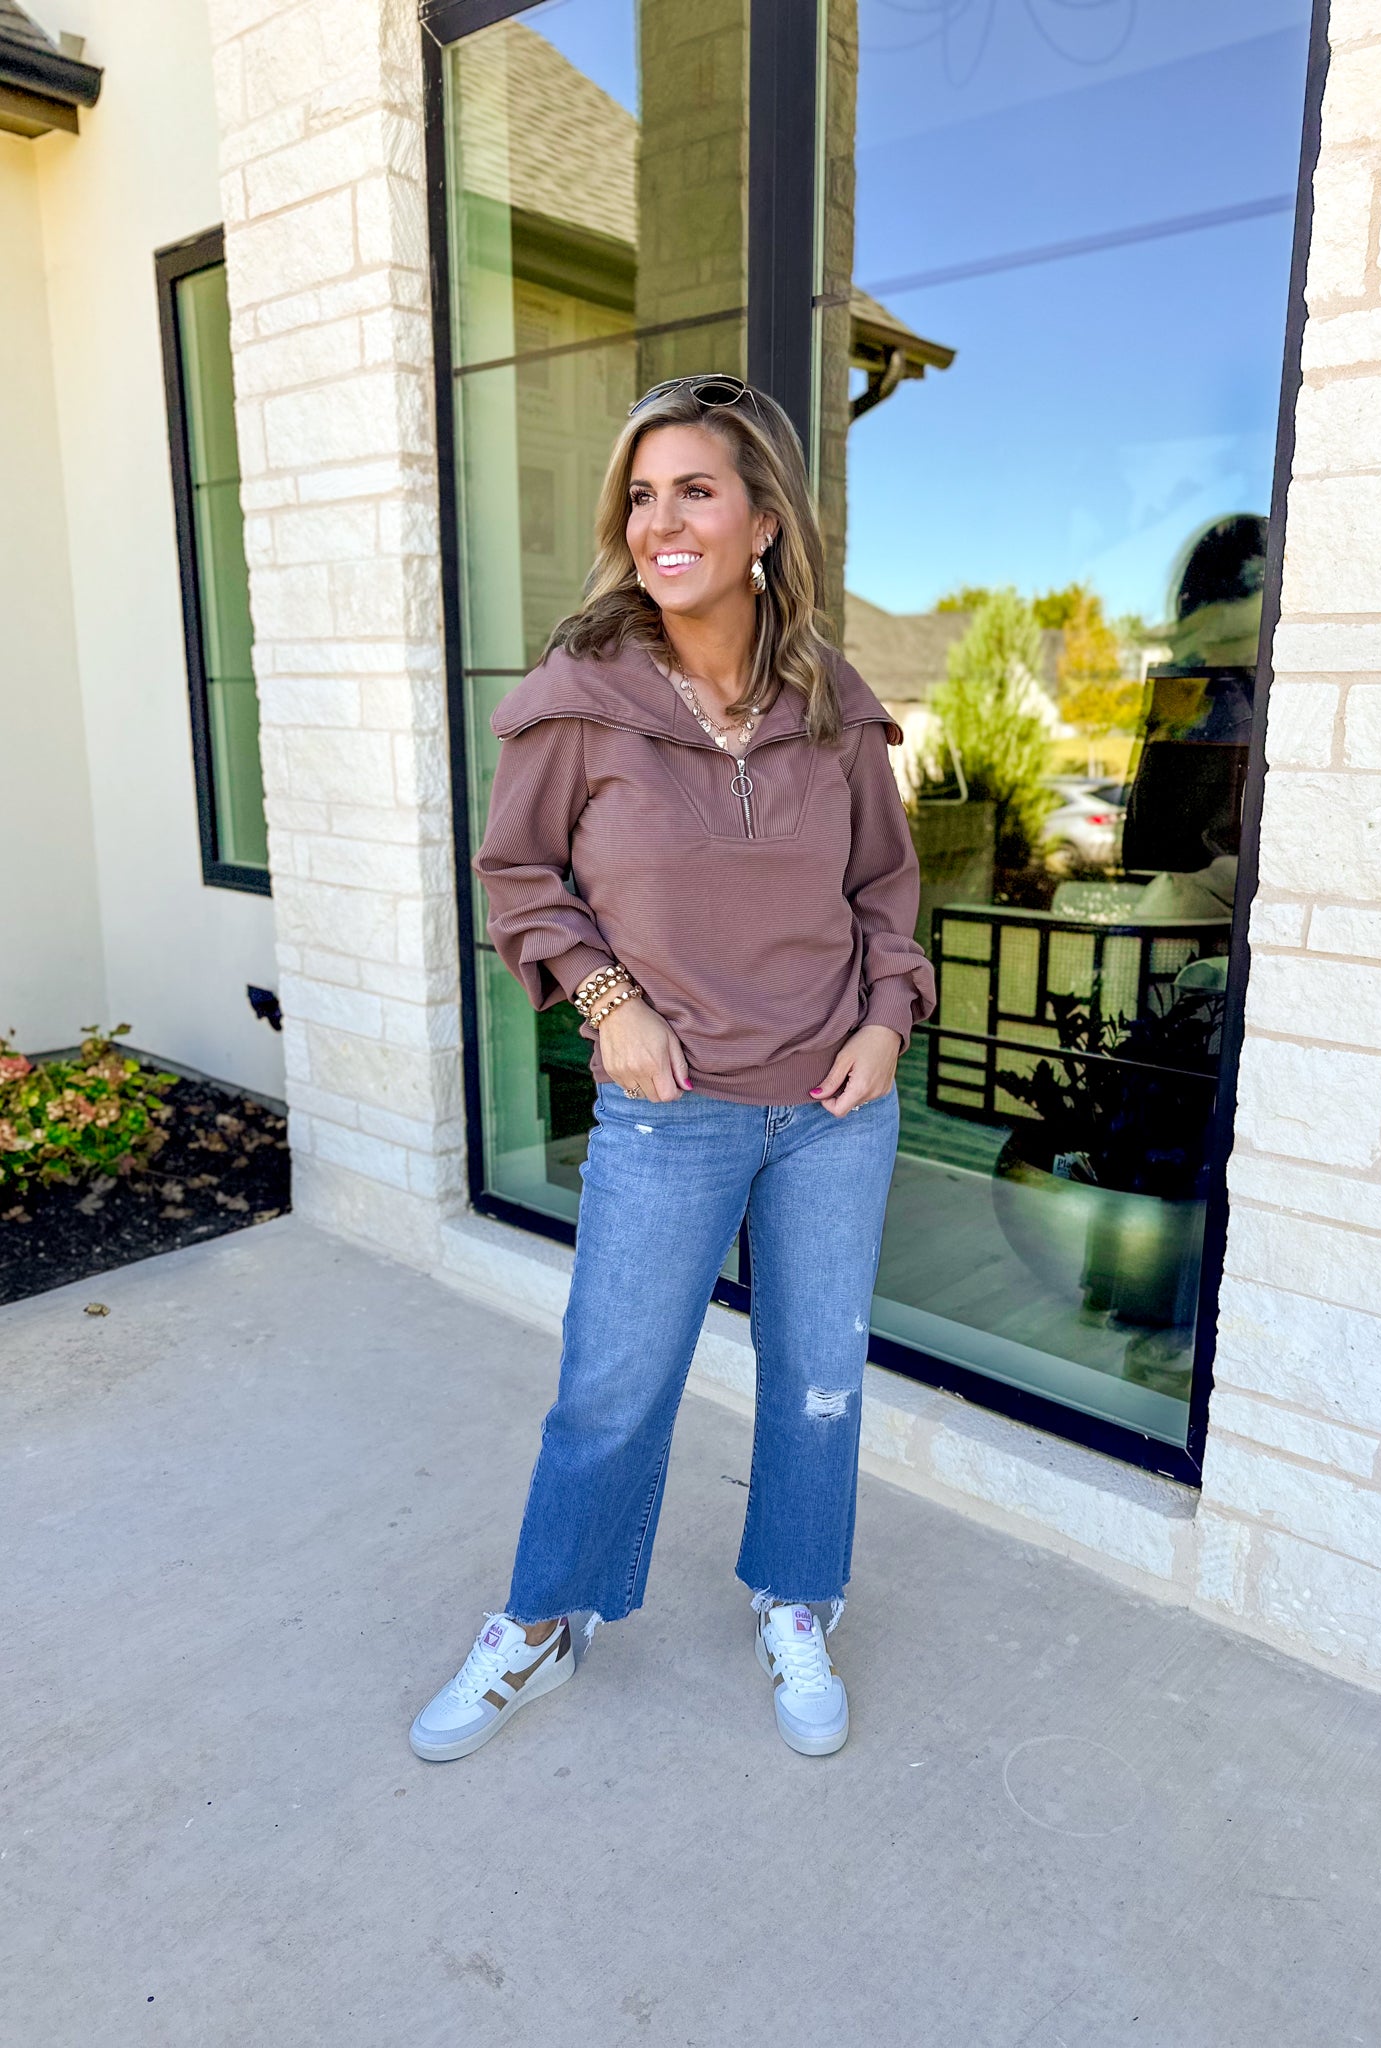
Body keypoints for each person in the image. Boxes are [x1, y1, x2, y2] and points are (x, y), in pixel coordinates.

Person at [409, 374, 936, 1765]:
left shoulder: (836, 708)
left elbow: (885, 892)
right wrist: (608, 1003)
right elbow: (519, 875)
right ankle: (543, 1622)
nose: (661, 523)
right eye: (641, 498)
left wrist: (885, 1024)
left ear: (763, 522)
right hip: (670, 1107)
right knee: (612, 1383)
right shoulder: (579, 700)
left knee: (817, 1376)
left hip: (832, 1109)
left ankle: (795, 1600)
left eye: (695, 491)